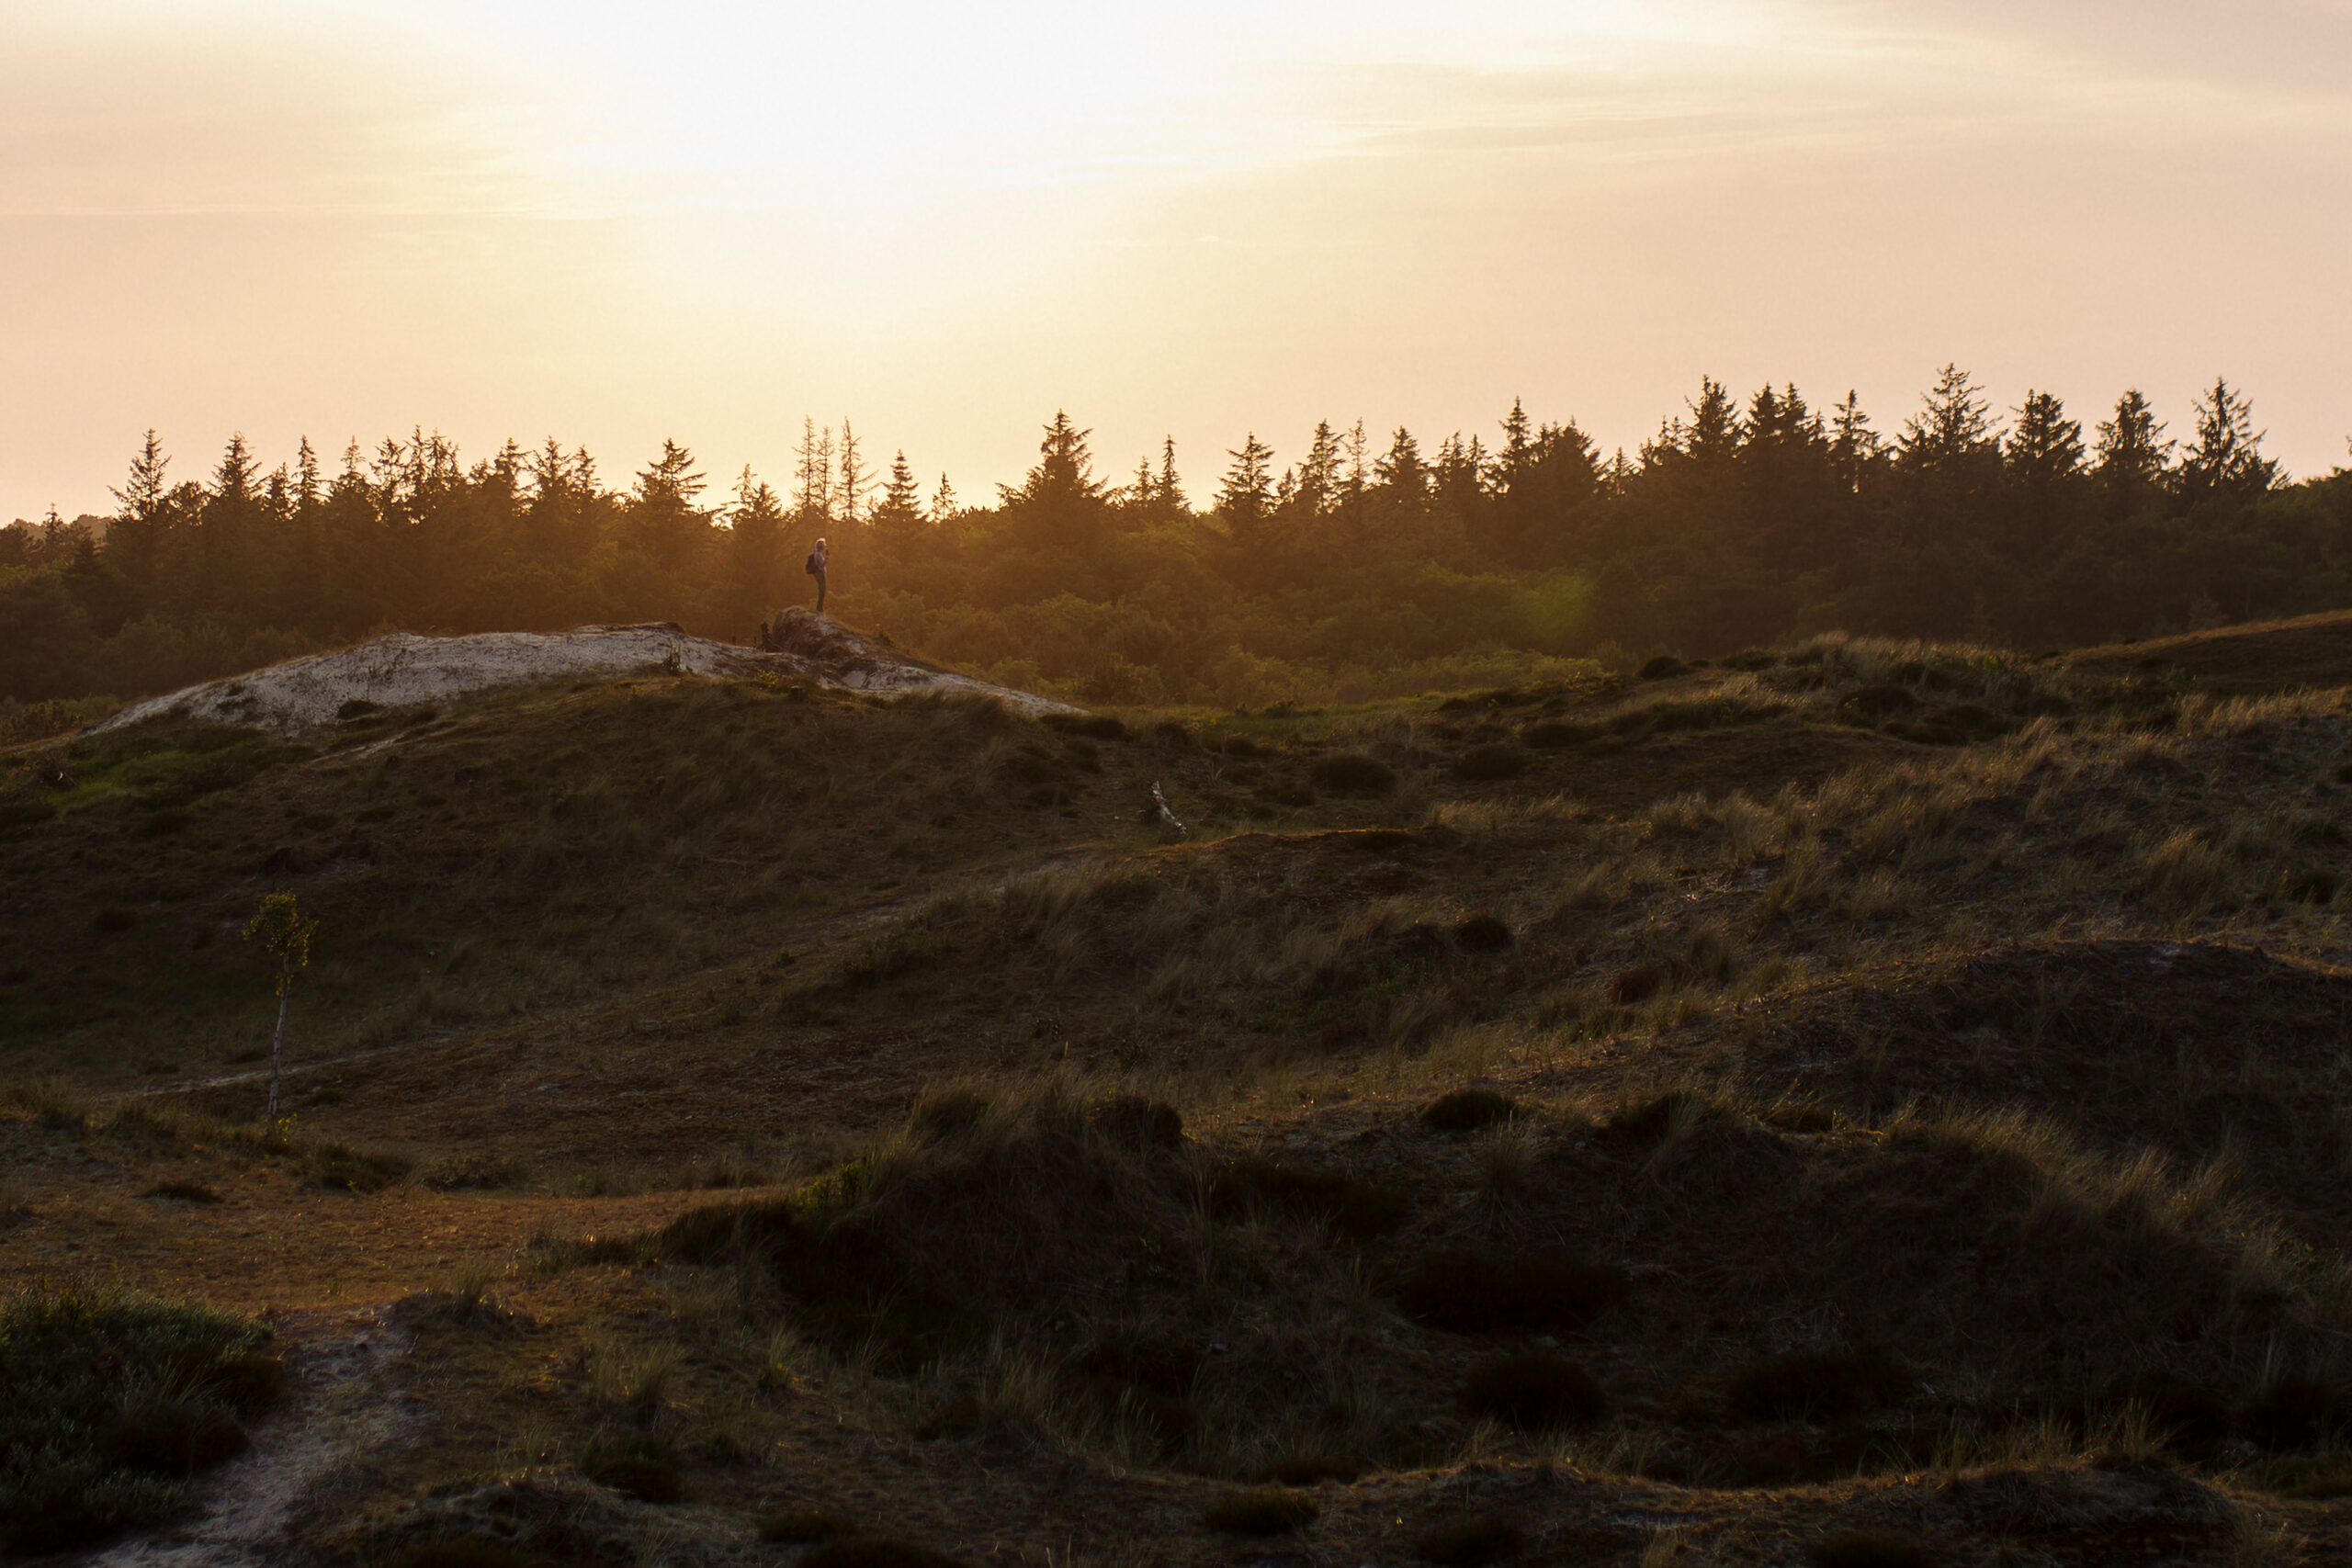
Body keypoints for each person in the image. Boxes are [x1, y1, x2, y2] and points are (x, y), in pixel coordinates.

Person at [806, 536, 830, 615]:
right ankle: (819, 608)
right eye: (823, 545)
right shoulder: (818, 554)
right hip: (820, 573)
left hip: (819, 573)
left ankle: (819, 607)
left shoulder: (817, 553)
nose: (824, 546)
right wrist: (827, 557)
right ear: (821, 546)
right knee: (822, 590)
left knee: (821, 590)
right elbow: (822, 565)